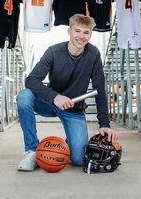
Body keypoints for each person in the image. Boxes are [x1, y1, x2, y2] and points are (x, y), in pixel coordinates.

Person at [17, 14, 118, 171]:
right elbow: (31, 80)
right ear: (69, 31)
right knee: (24, 96)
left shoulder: (93, 55)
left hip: (73, 108)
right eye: (77, 31)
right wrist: (54, 97)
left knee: (78, 159)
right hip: (50, 103)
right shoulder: (53, 52)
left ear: (90, 34)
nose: (81, 36)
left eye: (86, 32)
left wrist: (104, 124)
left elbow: (99, 90)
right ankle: (32, 150)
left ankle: (70, 141)